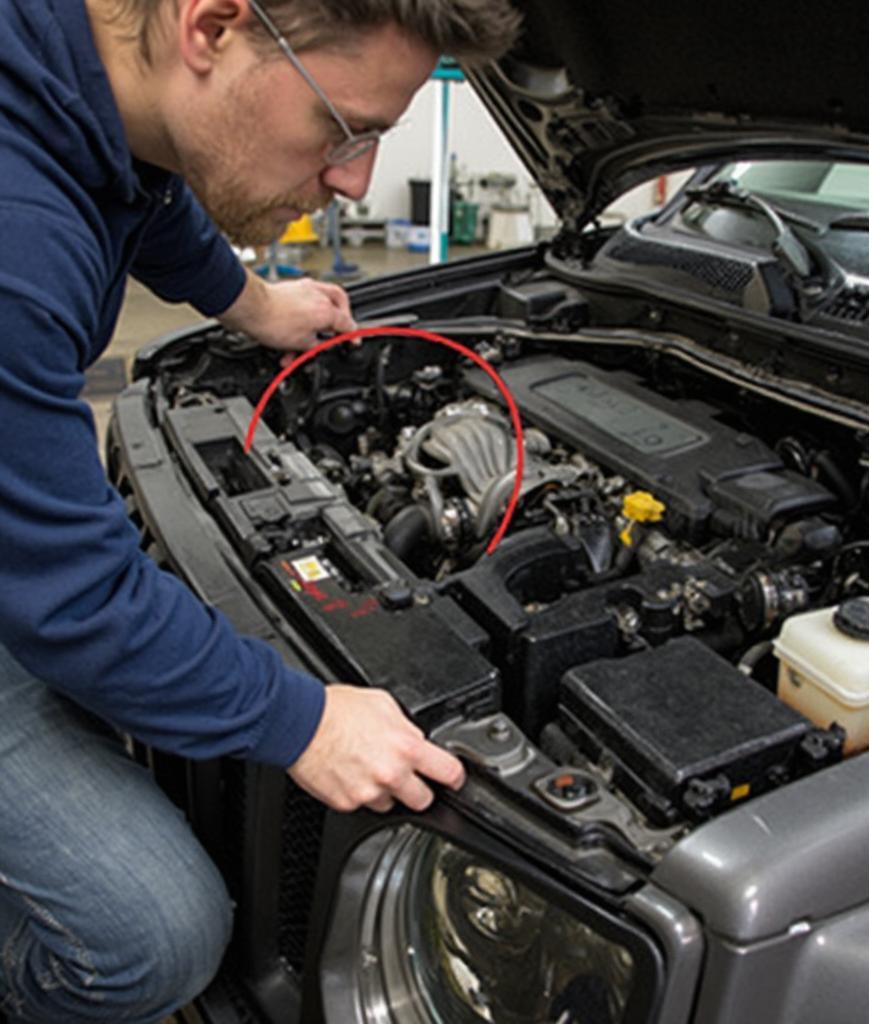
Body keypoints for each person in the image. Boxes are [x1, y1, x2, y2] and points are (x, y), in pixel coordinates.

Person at [0, 0, 519, 1019]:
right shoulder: (13, 237)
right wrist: (301, 718)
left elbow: (142, 192)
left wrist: (250, 300)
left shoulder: (74, 80)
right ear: (213, 26)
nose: (355, 178)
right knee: (154, 933)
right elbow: (70, 599)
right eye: (346, 127)